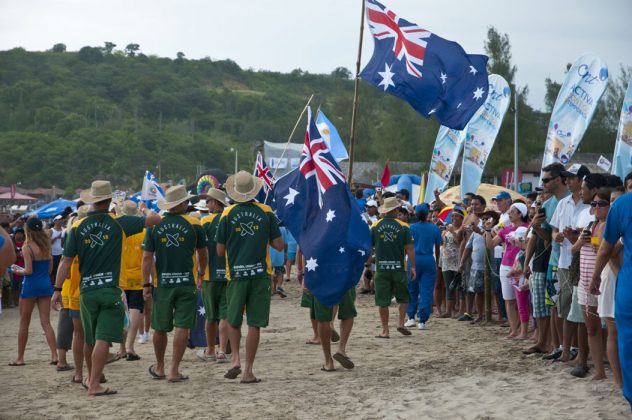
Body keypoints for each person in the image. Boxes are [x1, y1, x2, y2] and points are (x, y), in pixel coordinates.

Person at [52, 180, 160, 396]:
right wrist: (144, 208)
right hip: (110, 289)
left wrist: (56, 289)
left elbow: (65, 261)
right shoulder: (119, 222)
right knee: (102, 338)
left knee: (89, 338)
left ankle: (92, 378)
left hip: (87, 291)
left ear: (91, 201)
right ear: (110, 200)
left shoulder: (77, 227)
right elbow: (156, 219)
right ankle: (94, 384)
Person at [216, 171, 283, 383]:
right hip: (260, 274)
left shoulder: (227, 214)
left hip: (236, 274)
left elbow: (219, 251)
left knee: (233, 320)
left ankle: (235, 358)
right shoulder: (266, 212)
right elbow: (279, 245)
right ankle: (248, 371)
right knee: (254, 323)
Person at [142, 185, 208, 383]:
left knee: (160, 327)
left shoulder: (155, 226)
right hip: (186, 281)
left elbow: (147, 258)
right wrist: (201, 273)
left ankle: (160, 367)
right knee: (182, 326)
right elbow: (203, 254)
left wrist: (146, 283)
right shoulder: (194, 224)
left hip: (163, 283)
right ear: (183, 203)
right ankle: (174, 370)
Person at [591, 182, 632, 409]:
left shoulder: (623, 204)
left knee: (628, 344)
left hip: (629, 285)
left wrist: (595, 276)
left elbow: (605, 249)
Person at [544, 164, 590, 360]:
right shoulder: (563, 203)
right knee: (563, 307)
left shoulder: (590, 206)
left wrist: (573, 238)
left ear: (581, 180)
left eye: (571, 178)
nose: (567, 181)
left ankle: (580, 350)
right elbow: (554, 229)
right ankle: (566, 349)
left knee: (581, 309)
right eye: (566, 178)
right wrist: (556, 236)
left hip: (584, 263)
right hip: (563, 261)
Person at [523, 163, 569, 355]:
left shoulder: (569, 200)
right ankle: (555, 347)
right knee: (552, 306)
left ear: (558, 179)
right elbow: (547, 238)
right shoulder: (549, 205)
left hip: (568, 261)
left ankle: (566, 347)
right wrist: (538, 226)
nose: (543, 184)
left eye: (546, 180)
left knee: (565, 309)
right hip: (553, 261)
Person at [9, 217, 57, 366]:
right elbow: (49, 270)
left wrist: (16, 270)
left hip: (30, 286)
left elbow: (28, 271)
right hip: (45, 285)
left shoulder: (27, 246)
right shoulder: (46, 246)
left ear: (27, 230)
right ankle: (55, 355)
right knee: (46, 323)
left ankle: (20, 358)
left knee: (24, 322)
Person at [573, 187, 610, 381]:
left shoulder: (610, 225)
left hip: (603, 281)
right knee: (592, 328)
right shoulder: (590, 225)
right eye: (594, 204)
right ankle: (599, 371)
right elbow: (573, 250)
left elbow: (604, 250)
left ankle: (610, 367)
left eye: (601, 204)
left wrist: (593, 241)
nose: (596, 207)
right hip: (585, 280)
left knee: (610, 329)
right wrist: (582, 239)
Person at [370, 196, 416, 338]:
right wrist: (413, 266)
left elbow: (369, 248)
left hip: (381, 269)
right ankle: (401, 323)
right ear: (396, 210)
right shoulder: (403, 226)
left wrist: (368, 263)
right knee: (403, 297)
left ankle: (385, 330)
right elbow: (409, 249)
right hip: (398, 268)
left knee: (382, 300)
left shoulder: (375, 226)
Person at [485, 203, 529, 339]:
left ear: (520, 214)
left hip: (520, 266)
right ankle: (513, 329)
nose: (509, 214)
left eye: (512, 212)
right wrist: (487, 230)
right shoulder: (505, 229)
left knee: (521, 300)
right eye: (509, 212)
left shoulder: (527, 228)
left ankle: (523, 329)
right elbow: (491, 244)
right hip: (505, 265)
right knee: (508, 299)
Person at [197, 188, 230, 363]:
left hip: (210, 275)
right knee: (224, 315)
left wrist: (199, 273)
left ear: (216, 202)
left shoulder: (205, 222)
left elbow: (201, 252)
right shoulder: (229, 219)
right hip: (228, 274)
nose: (206, 204)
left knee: (210, 316)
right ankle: (222, 350)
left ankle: (210, 349)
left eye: (208, 201)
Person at [405, 204, 441, 330]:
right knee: (426, 290)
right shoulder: (434, 228)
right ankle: (422, 321)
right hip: (428, 259)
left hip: (414, 259)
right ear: (427, 214)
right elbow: (437, 248)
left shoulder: (411, 227)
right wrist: (437, 263)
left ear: (416, 214)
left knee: (412, 289)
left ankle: (410, 318)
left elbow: (407, 247)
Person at [118, 201, 146, 361]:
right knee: (136, 310)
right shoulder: (142, 231)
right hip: (138, 276)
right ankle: (130, 346)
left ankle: (122, 348)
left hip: (121, 276)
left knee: (122, 312)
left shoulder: (119, 231)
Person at [440, 207, 465, 318]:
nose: (454, 218)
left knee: (459, 286)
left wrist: (451, 232)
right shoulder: (446, 230)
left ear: (461, 218)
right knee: (448, 285)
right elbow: (444, 244)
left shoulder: (462, 229)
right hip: (447, 260)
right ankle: (449, 310)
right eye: (452, 216)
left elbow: (459, 241)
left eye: (456, 216)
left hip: (458, 259)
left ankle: (460, 310)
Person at [49, 215, 66, 285]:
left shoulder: (64, 229)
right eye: (59, 219)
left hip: (62, 253)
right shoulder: (51, 230)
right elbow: (48, 243)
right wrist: (57, 237)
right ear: (55, 221)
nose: (61, 221)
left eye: (61, 219)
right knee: (52, 271)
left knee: (60, 271)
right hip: (53, 254)